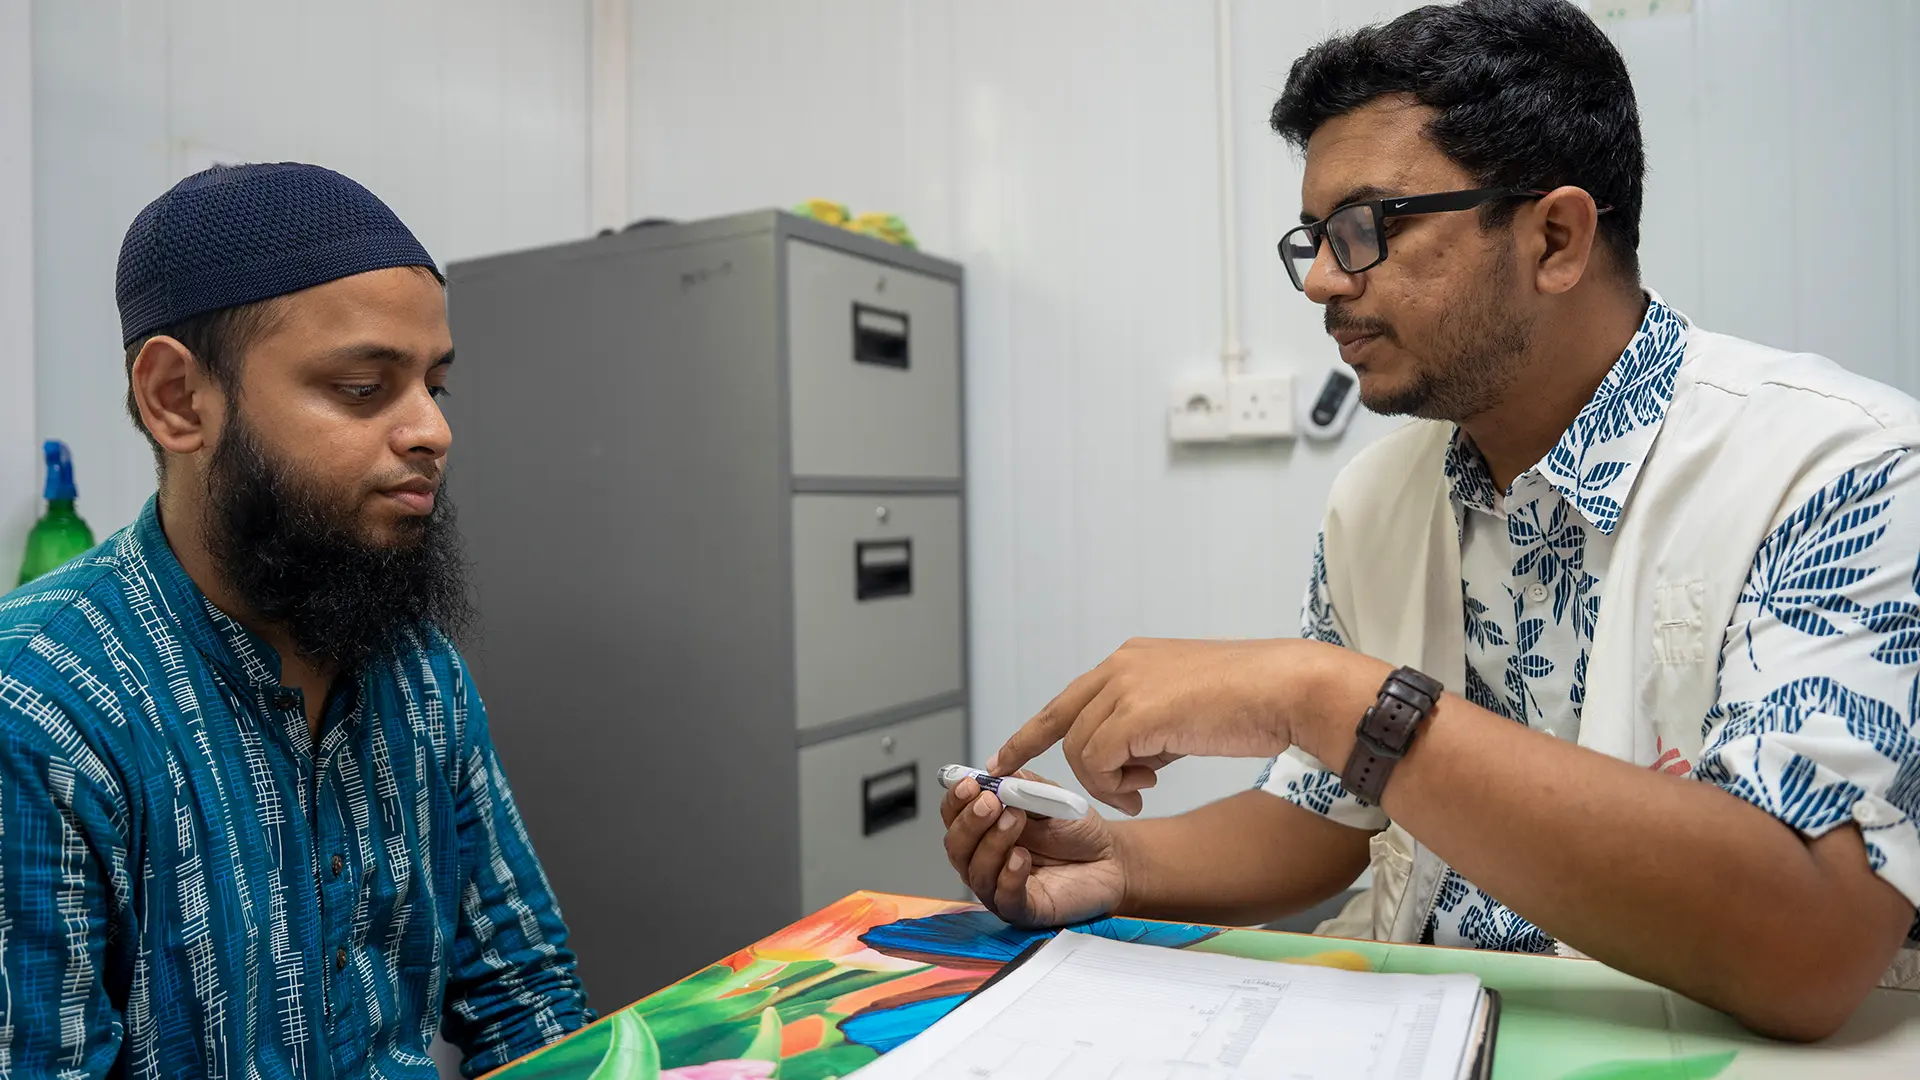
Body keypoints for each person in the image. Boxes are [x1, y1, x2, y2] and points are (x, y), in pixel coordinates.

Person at [941, 0, 1920, 1042]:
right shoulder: (1377, 498)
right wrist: (1119, 864)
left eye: (1366, 230)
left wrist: (1317, 691)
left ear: (1554, 237)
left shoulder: (1844, 469)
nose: (1322, 280)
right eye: (1314, 239)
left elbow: (1810, 947)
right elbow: (1329, 816)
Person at [0, 162, 590, 1076]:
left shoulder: (421, 674)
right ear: (175, 399)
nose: (432, 430)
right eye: (363, 387)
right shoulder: (41, 712)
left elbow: (528, 996)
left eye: (436, 385)